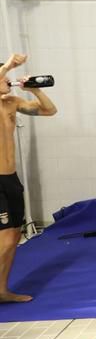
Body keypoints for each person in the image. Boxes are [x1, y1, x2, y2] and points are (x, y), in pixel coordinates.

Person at [0, 53, 57, 303]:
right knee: (3, 239)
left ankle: (2, 290)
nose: (8, 81)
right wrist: (8, 65)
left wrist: (34, 90)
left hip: (11, 179)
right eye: (5, 77)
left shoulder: (11, 102)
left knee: (13, 237)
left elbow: (49, 110)